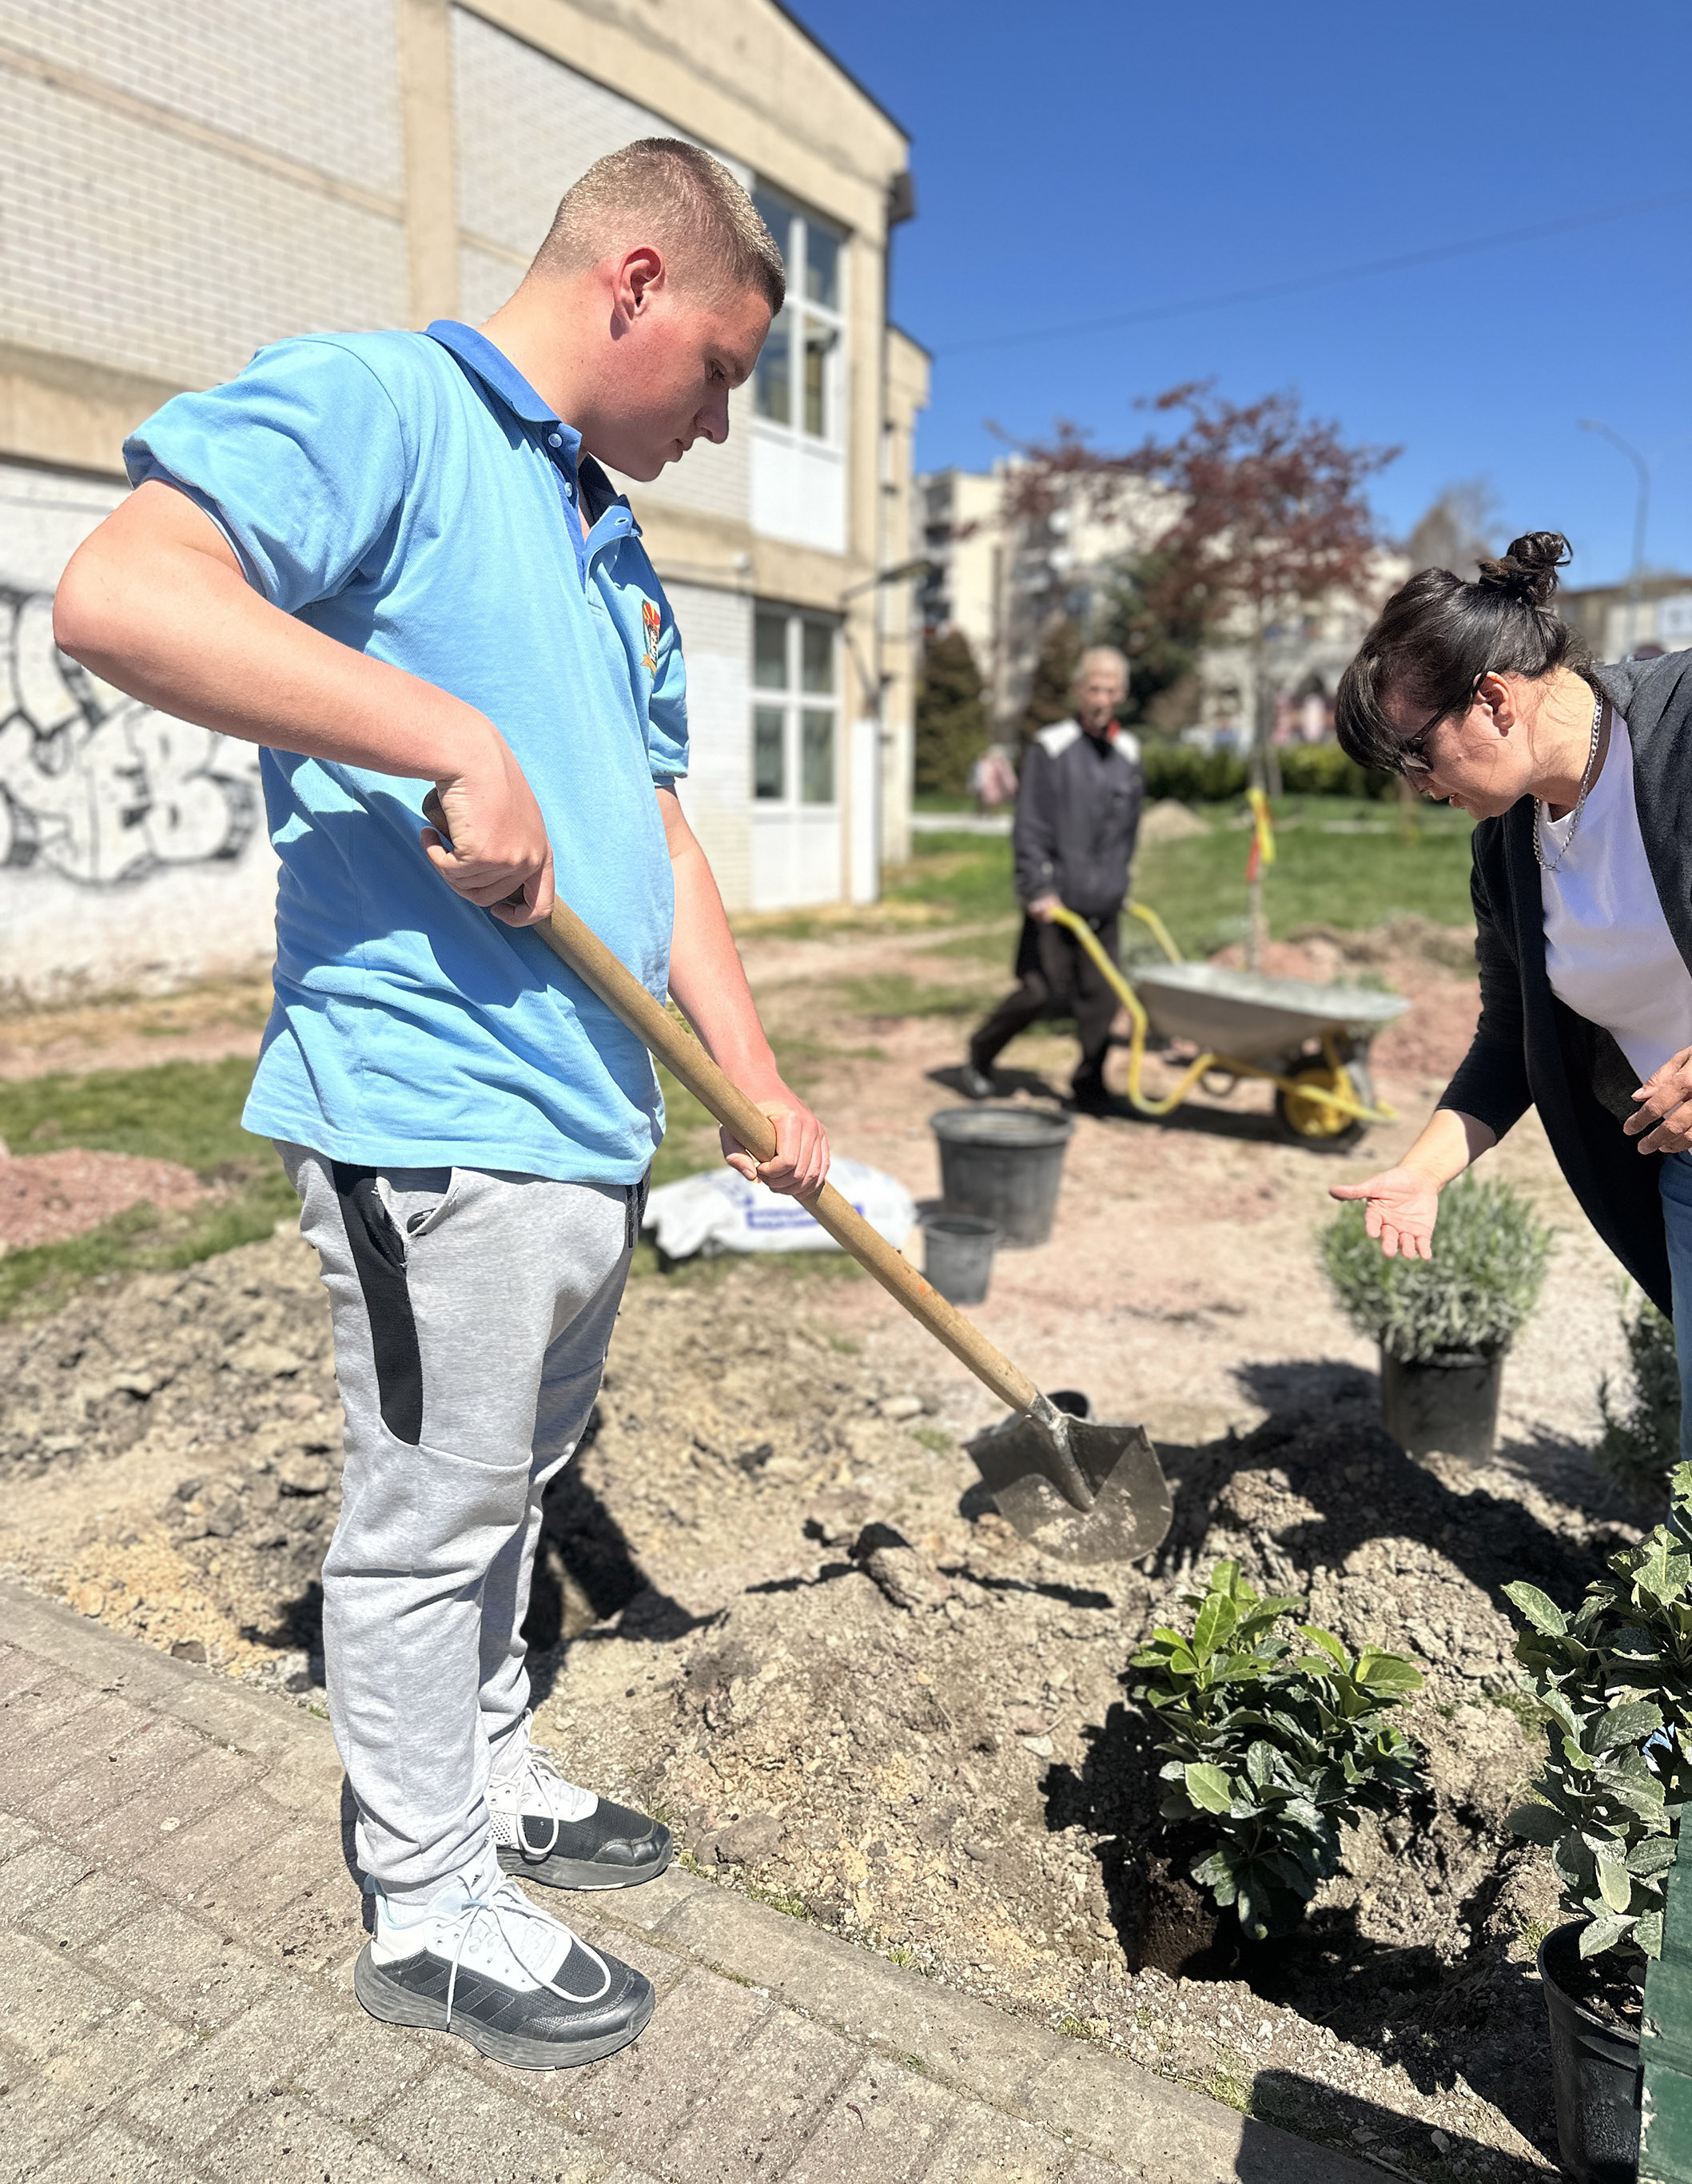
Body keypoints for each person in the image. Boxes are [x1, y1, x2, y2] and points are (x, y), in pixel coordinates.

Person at [52, 139, 830, 2071]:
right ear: (634, 283)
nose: (720, 427)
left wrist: (745, 1073)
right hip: (435, 1108)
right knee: (434, 1514)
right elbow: (121, 595)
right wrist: (444, 736)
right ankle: (425, 1897)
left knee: (517, 1492)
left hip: (589, 1118)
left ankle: (485, 1775)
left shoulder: (608, 542)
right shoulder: (380, 403)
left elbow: (658, 832)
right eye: (719, 371)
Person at [1328, 531, 1692, 1452]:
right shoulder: (1505, 847)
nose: (1417, 788)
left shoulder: (1683, 722)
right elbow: (1510, 1040)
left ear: (1492, 699)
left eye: (1417, 756)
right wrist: (1419, 1173)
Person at [960, 646, 1145, 1116]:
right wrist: (1037, 887)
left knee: (1102, 998)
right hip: (1055, 899)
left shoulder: (1128, 752)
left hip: (1103, 899)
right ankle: (981, 1051)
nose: (1101, 699)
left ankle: (1089, 1088)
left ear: (1122, 693)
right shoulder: (1052, 747)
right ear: (1079, 691)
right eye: (1093, 688)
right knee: (1038, 991)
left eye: (1109, 690)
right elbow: (1031, 824)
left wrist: (1120, 883)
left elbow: (1127, 830)